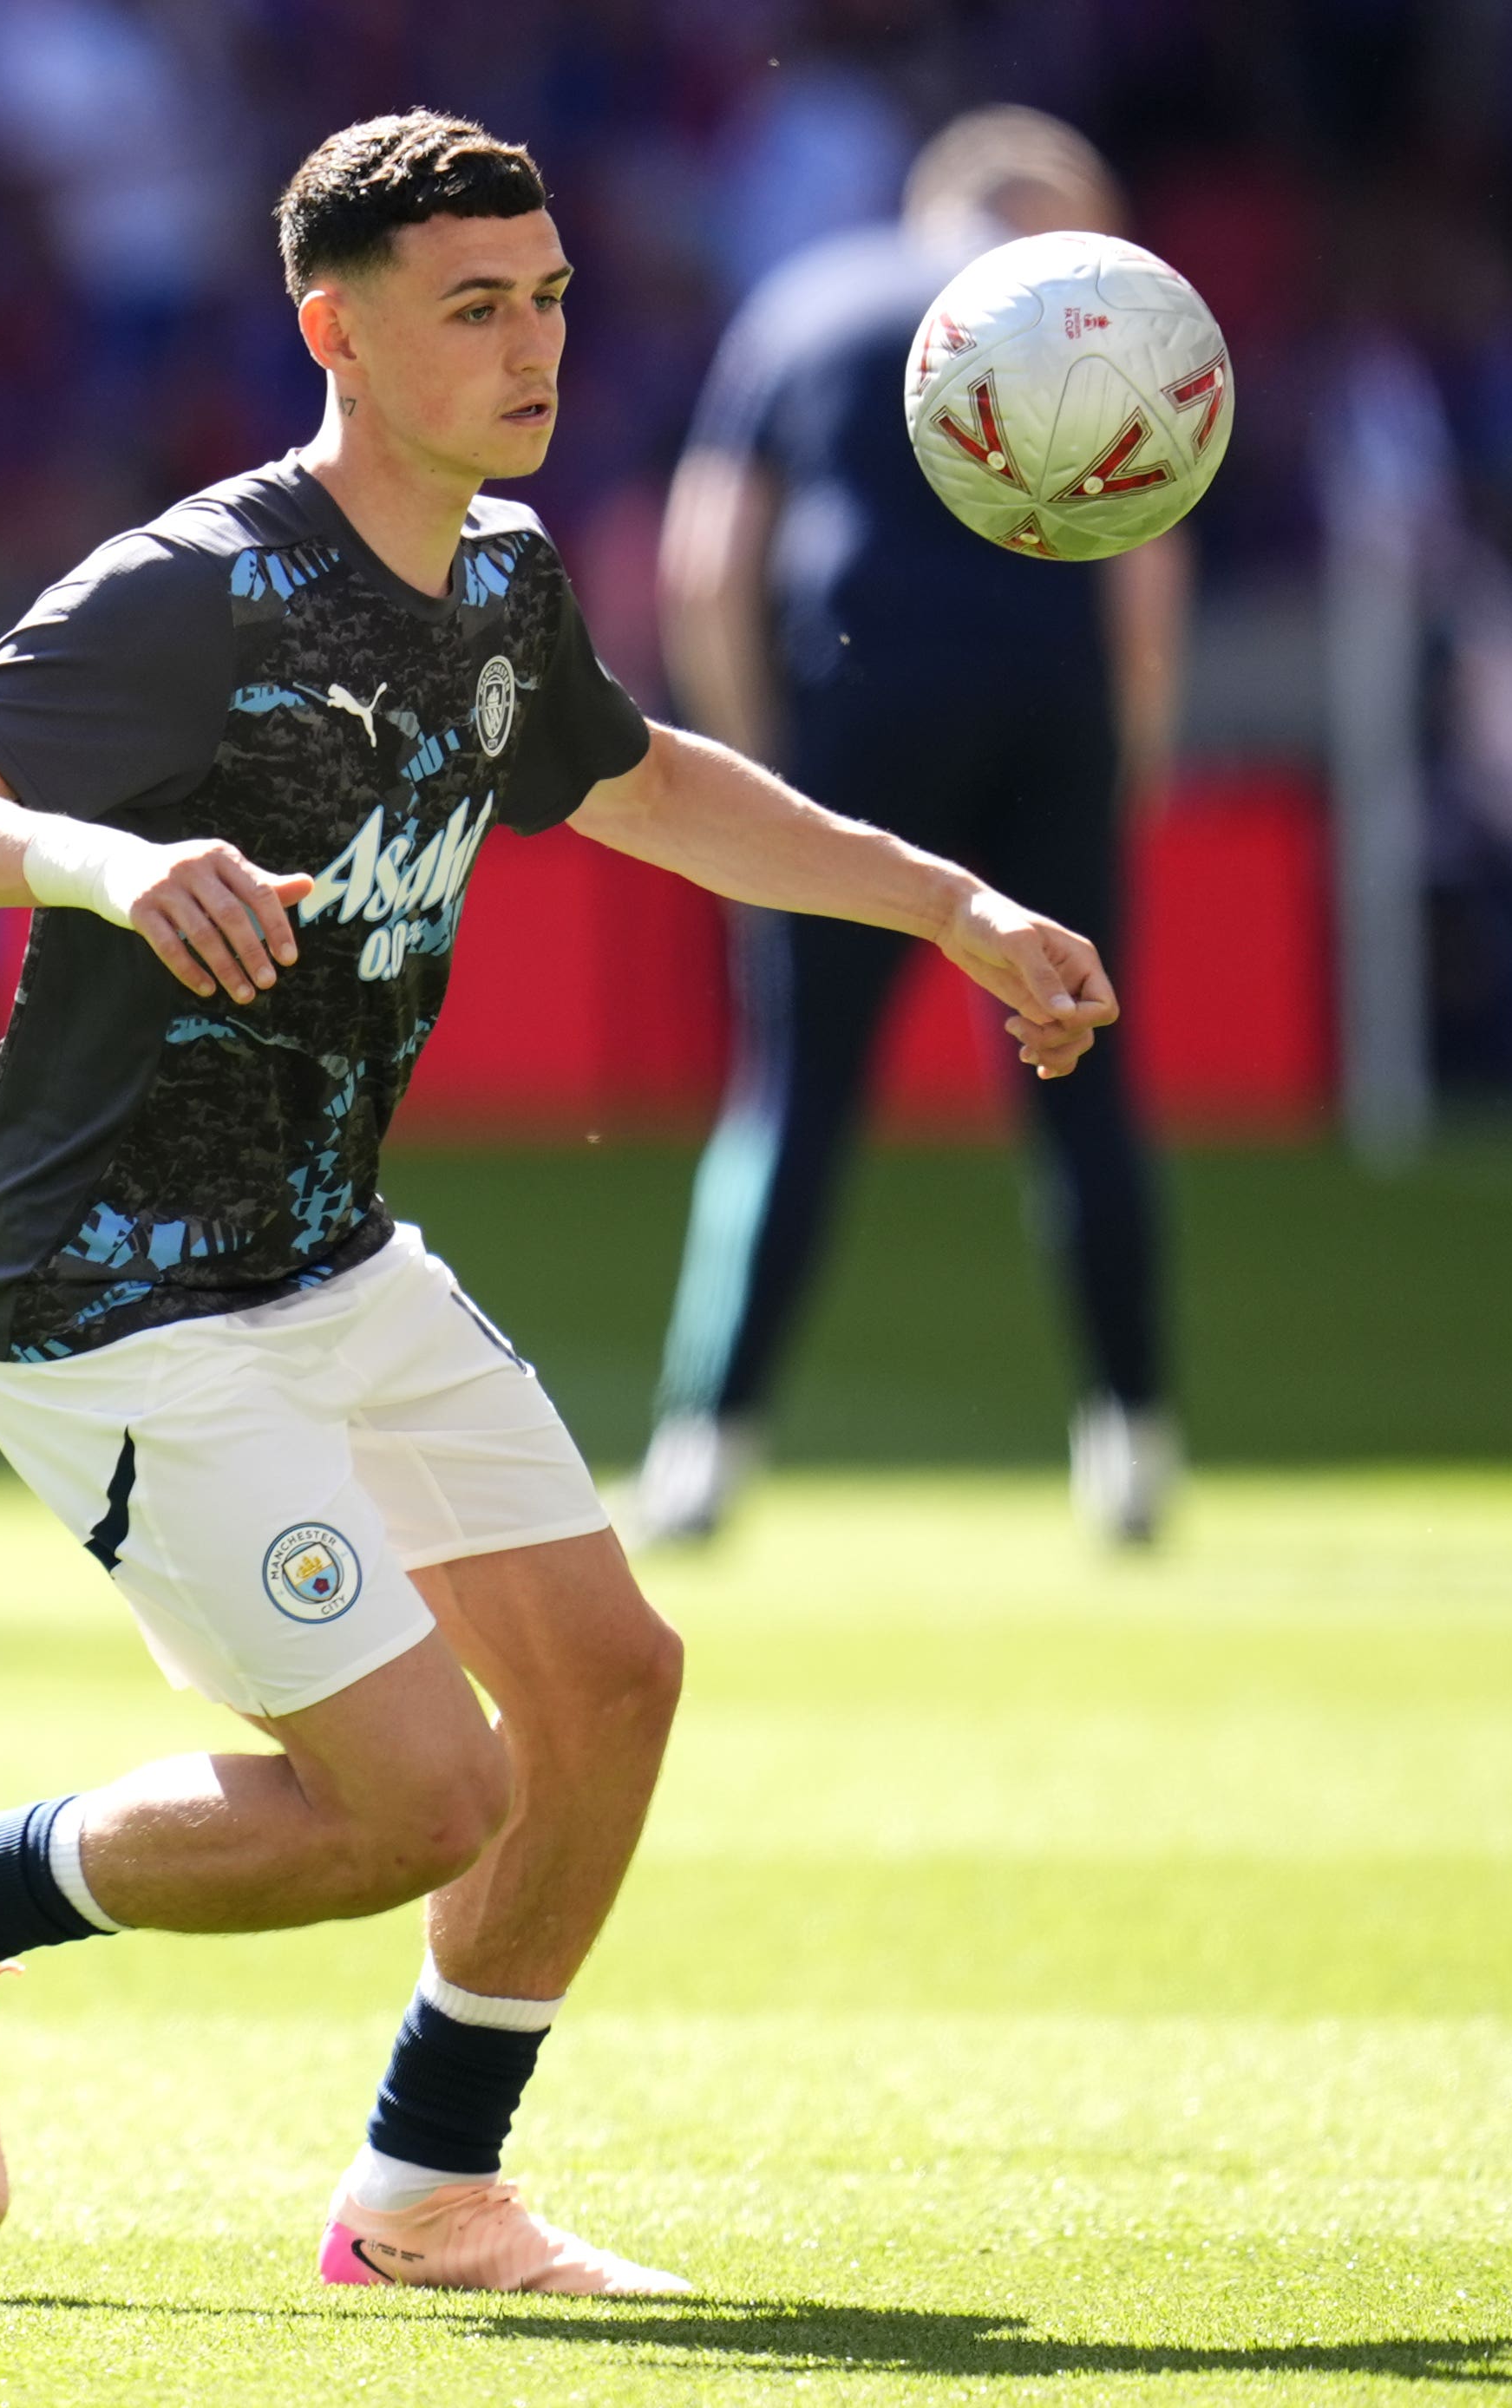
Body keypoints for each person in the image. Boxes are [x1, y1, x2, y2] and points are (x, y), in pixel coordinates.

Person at [0, 112, 1116, 2294]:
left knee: (608, 1682)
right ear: (336, 331)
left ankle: (425, 2193)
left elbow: (653, 782)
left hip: (330, 1249)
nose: (534, 343)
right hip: (108, 1292)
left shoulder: (502, 575)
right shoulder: (199, 585)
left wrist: (949, 903)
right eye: (475, 306)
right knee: (422, 1800)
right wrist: (106, 859)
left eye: (554, 298)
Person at [634, 108, 1192, 1548]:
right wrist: (1131, 761)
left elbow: (706, 561)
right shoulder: (1094, 317)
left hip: (855, 714)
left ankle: (708, 1446)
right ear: (1046, 215)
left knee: (795, 1097)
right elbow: (1146, 571)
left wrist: (759, 783)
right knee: (1083, 1090)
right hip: (1052, 718)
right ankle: (1130, 1444)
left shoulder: (811, 304)